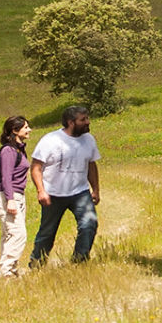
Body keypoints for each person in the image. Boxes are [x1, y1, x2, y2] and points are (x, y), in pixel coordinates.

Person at [29, 105, 101, 265]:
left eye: (87, 118)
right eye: (83, 120)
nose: (88, 122)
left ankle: (79, 260)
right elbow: (36, 167)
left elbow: (91, 165)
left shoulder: (89, 140)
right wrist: (41, 191)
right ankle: (36, 264)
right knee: (47, 233)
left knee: (89, 223)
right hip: (53, 194)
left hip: (80, 193)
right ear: (71, 122)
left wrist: (95, 189)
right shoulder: (50, 140)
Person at [0, 115, 33, 277]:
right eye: (25, 127)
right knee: (18, 234)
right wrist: (10, 200)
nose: (29, 130)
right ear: (15, 131)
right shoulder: (8, 151)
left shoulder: (19, 150)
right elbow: (6, 177)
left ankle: (12, 270)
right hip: (8, 195)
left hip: (17, 196)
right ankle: (5, 271)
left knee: (10, 234)